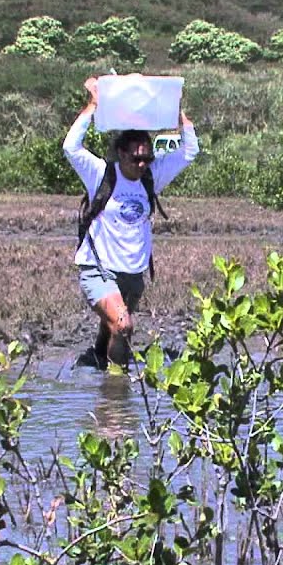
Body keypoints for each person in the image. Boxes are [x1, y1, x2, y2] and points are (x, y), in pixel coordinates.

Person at [64, 76, 199, 374]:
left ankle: (97, 363)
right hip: (98, 268)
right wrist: (94, 104)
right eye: (136, 159)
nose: (142, 165)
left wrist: (178, 114)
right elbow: (71, 147)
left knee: (113, 327)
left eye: (147, 159)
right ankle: (116, 390)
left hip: (133, 273)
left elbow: (190, 152)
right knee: (123, 325)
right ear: (121, 154)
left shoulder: (152, 176)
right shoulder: (100, 173)